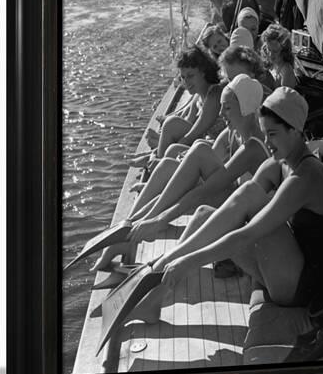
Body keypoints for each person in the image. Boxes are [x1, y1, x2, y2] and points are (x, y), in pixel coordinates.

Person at [130, 87, 323, 323]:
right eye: (264, 133)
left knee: (250, 194)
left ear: (294, 131)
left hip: (304, 285)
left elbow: (248, 233)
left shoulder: (306, 177)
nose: (266, 142)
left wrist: (186, 262)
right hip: (283, 269)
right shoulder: (279, 164)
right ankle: (155, 297)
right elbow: (234, 207)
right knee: (205, 215)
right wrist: (175, 256)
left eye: (272, 134)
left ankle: (168, 263)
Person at [92, 75, 269, 272]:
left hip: (247, 223)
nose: (220, 114)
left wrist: (161, 219)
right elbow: (194, 171)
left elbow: (208, 188)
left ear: (245, 108)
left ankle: (141, 229)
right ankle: (131, 226)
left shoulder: (254, 147)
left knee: (199, 151)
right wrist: (160, 201)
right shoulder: (233, 133)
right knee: (180, 159)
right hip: (234, 206)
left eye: (227, 108)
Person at [260, 23, 297, 88]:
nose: (271, 55)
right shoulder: (268, 64)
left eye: (275, 51)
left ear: (284, 50)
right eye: (269, 49)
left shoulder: (286, 71)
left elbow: (285, 97)